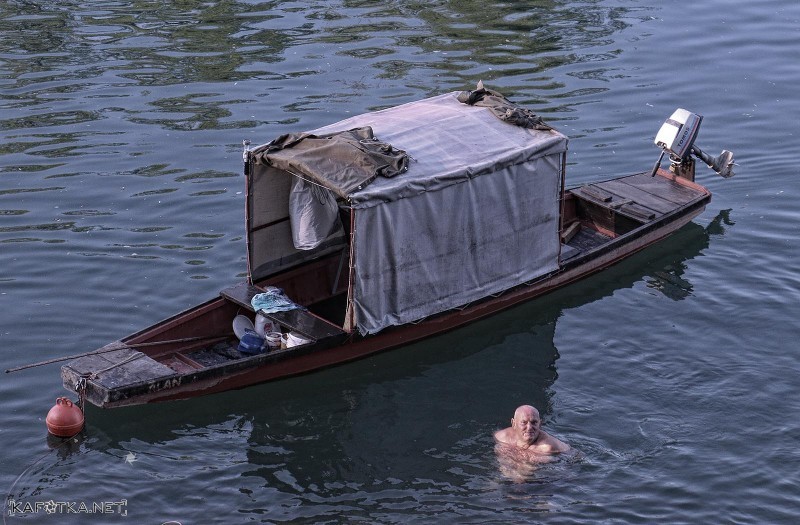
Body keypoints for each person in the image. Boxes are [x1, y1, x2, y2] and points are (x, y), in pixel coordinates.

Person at [494, 405, 570, 461]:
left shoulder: (546, 448)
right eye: (523, 422)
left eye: (534, 422)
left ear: (540, 424)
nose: (529, 427)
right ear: (514, 423)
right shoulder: (502, 437)